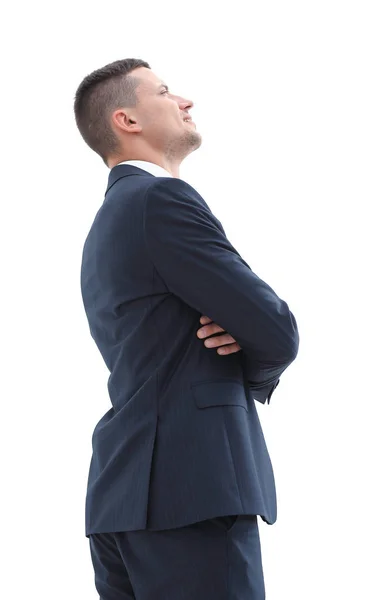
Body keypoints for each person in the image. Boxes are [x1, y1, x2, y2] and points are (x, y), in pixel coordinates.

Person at [74, 58, 299, 600]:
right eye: (166, 92)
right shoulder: (161, 199)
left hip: (120, 497)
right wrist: (251, 354)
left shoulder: (104, 226)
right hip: (192, 492)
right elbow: (276, 329)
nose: (185, 101)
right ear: (127, 120)